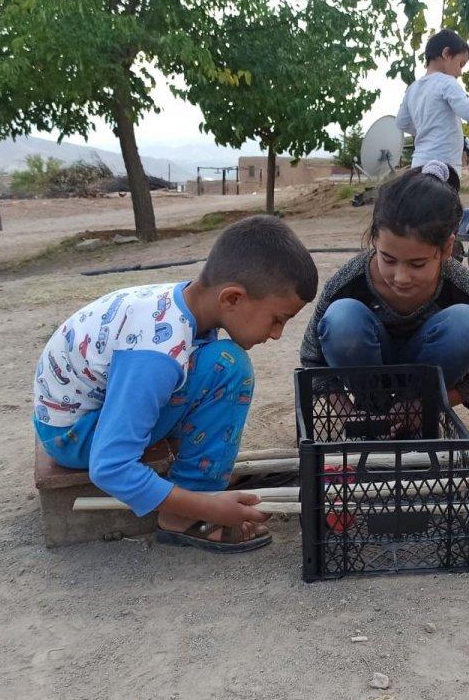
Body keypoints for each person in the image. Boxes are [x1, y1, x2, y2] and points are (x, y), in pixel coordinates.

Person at [32, 216, 317, 552]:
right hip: (74, 436)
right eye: (277, 319)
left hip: (74, 418)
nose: (276, 334)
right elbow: (109, 467)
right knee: (228, 367)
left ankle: (198, 483)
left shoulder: (182, 305)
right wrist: (208, 505)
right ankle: (184, 512)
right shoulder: (156, 354)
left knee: (216, 362)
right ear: (232, 299)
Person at [300, 162, 469, 413]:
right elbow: (312, 360)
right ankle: (375, 411)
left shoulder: (467, 291)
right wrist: (347, 411)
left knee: (468, 323)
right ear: (374, 240)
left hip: (422, 399)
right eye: (389, 260)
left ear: (447, 248)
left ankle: (411, 418)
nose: (401, 277)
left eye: (417, 264)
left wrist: (422, 407)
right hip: (366, 399)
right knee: (342, 317)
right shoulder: (348, 282)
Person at [396, 29, 469, 191]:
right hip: (444, 166)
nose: (460, 72)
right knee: (445, 214)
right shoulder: (447, 82)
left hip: (418, 164)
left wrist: (426, 129)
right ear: (447, 54)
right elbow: (468, 112)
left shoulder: (413, 88)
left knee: (423, 214)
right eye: (461, 64)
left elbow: (402, 122)